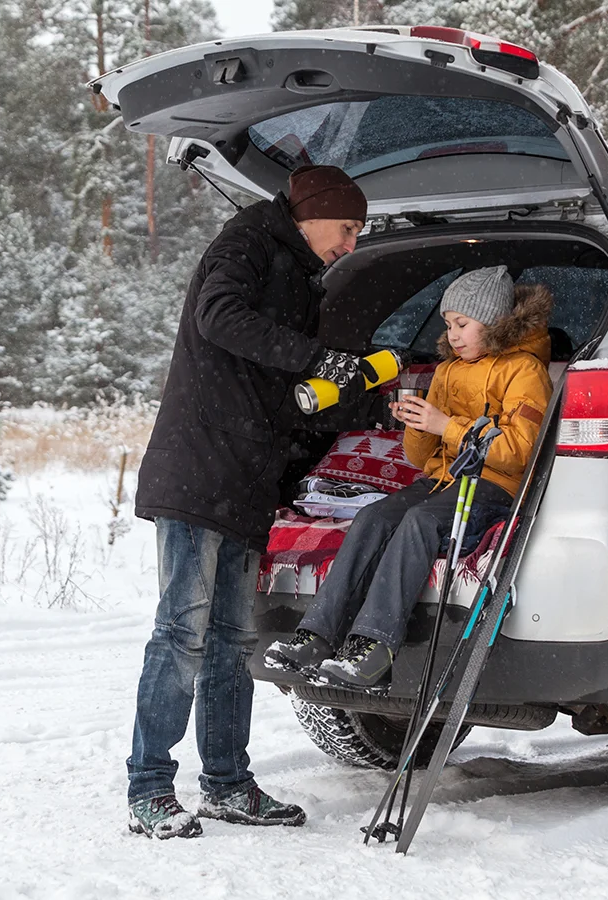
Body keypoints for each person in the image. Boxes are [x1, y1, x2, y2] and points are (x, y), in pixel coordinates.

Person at [126, 165, 374, 840]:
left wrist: (348, 394)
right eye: (347, 228)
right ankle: (148, 787)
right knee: (181, 634)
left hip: (247, 476)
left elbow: (278, 388)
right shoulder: (249, 241)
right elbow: (220, 316)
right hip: (196, 468)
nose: (350, 244)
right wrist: (314, 359)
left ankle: (228, 785)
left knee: (234, 643)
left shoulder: (301, 274)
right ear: (315, 212)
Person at [265, 266, 553, 689]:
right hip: (442, 481)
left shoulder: (524, 370)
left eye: (462, 324)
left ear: (494, 321)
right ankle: (317, 635)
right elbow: (421, 458)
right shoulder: (448, 370)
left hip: (495, 487)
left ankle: (373, 649)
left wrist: (446, 425)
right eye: (448, 324)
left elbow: (519, 453)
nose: (453, 334)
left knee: (420, 522)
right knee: (373, 519)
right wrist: (418, 425)